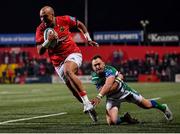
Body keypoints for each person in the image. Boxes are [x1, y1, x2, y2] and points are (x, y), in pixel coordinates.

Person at [35, 6, 99, 122]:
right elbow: (40, 51)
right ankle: (88, 105)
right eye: (40, 17)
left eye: (45, 17)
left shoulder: (64, 20)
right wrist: (48, 41)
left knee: (68, 70)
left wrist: (88, 38)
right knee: (74, 91)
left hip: (73, 53)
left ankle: (87, 104)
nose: (43, 20)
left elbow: (80, 24)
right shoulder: (40, 29)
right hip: (57, 62)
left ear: (52, 15)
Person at [91, 55, 173, 125]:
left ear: (104, 64)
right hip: (112, 98)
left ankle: (164, 108)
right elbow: (106, 89)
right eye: (95, 65)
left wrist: (99, 96)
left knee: (147, 105)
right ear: (92, 67)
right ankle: (126, 118)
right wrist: (118, 80)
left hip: (125, 92)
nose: (97, 67)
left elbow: (108, 86)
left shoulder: (109, 69)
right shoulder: (94, 77)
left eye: (99, 64)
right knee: (112, 122)